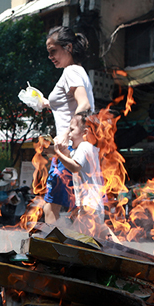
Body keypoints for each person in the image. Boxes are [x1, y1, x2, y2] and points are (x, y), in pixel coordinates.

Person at [40, 26, 95, 224]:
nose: (50, 56)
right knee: (86, 212)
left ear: (68, 47)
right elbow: (71, 104)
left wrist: (64, 135)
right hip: (76, 148)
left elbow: (84, 104)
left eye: (53, 51)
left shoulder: (71, 71)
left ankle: (51, 249)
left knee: (52, 204)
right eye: (48, 52)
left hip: (68, 149)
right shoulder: (75, 72)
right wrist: (45, 103)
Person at [54, 114, 105, 230]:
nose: (69, 134)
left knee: (81, 242)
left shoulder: (84, 146)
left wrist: (58, 152)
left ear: (85, 132)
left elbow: (75, 166)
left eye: (72, 130)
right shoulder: (84, 148)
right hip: (90, 205)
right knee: (83, 240)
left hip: (90, 205)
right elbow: (69, 156)